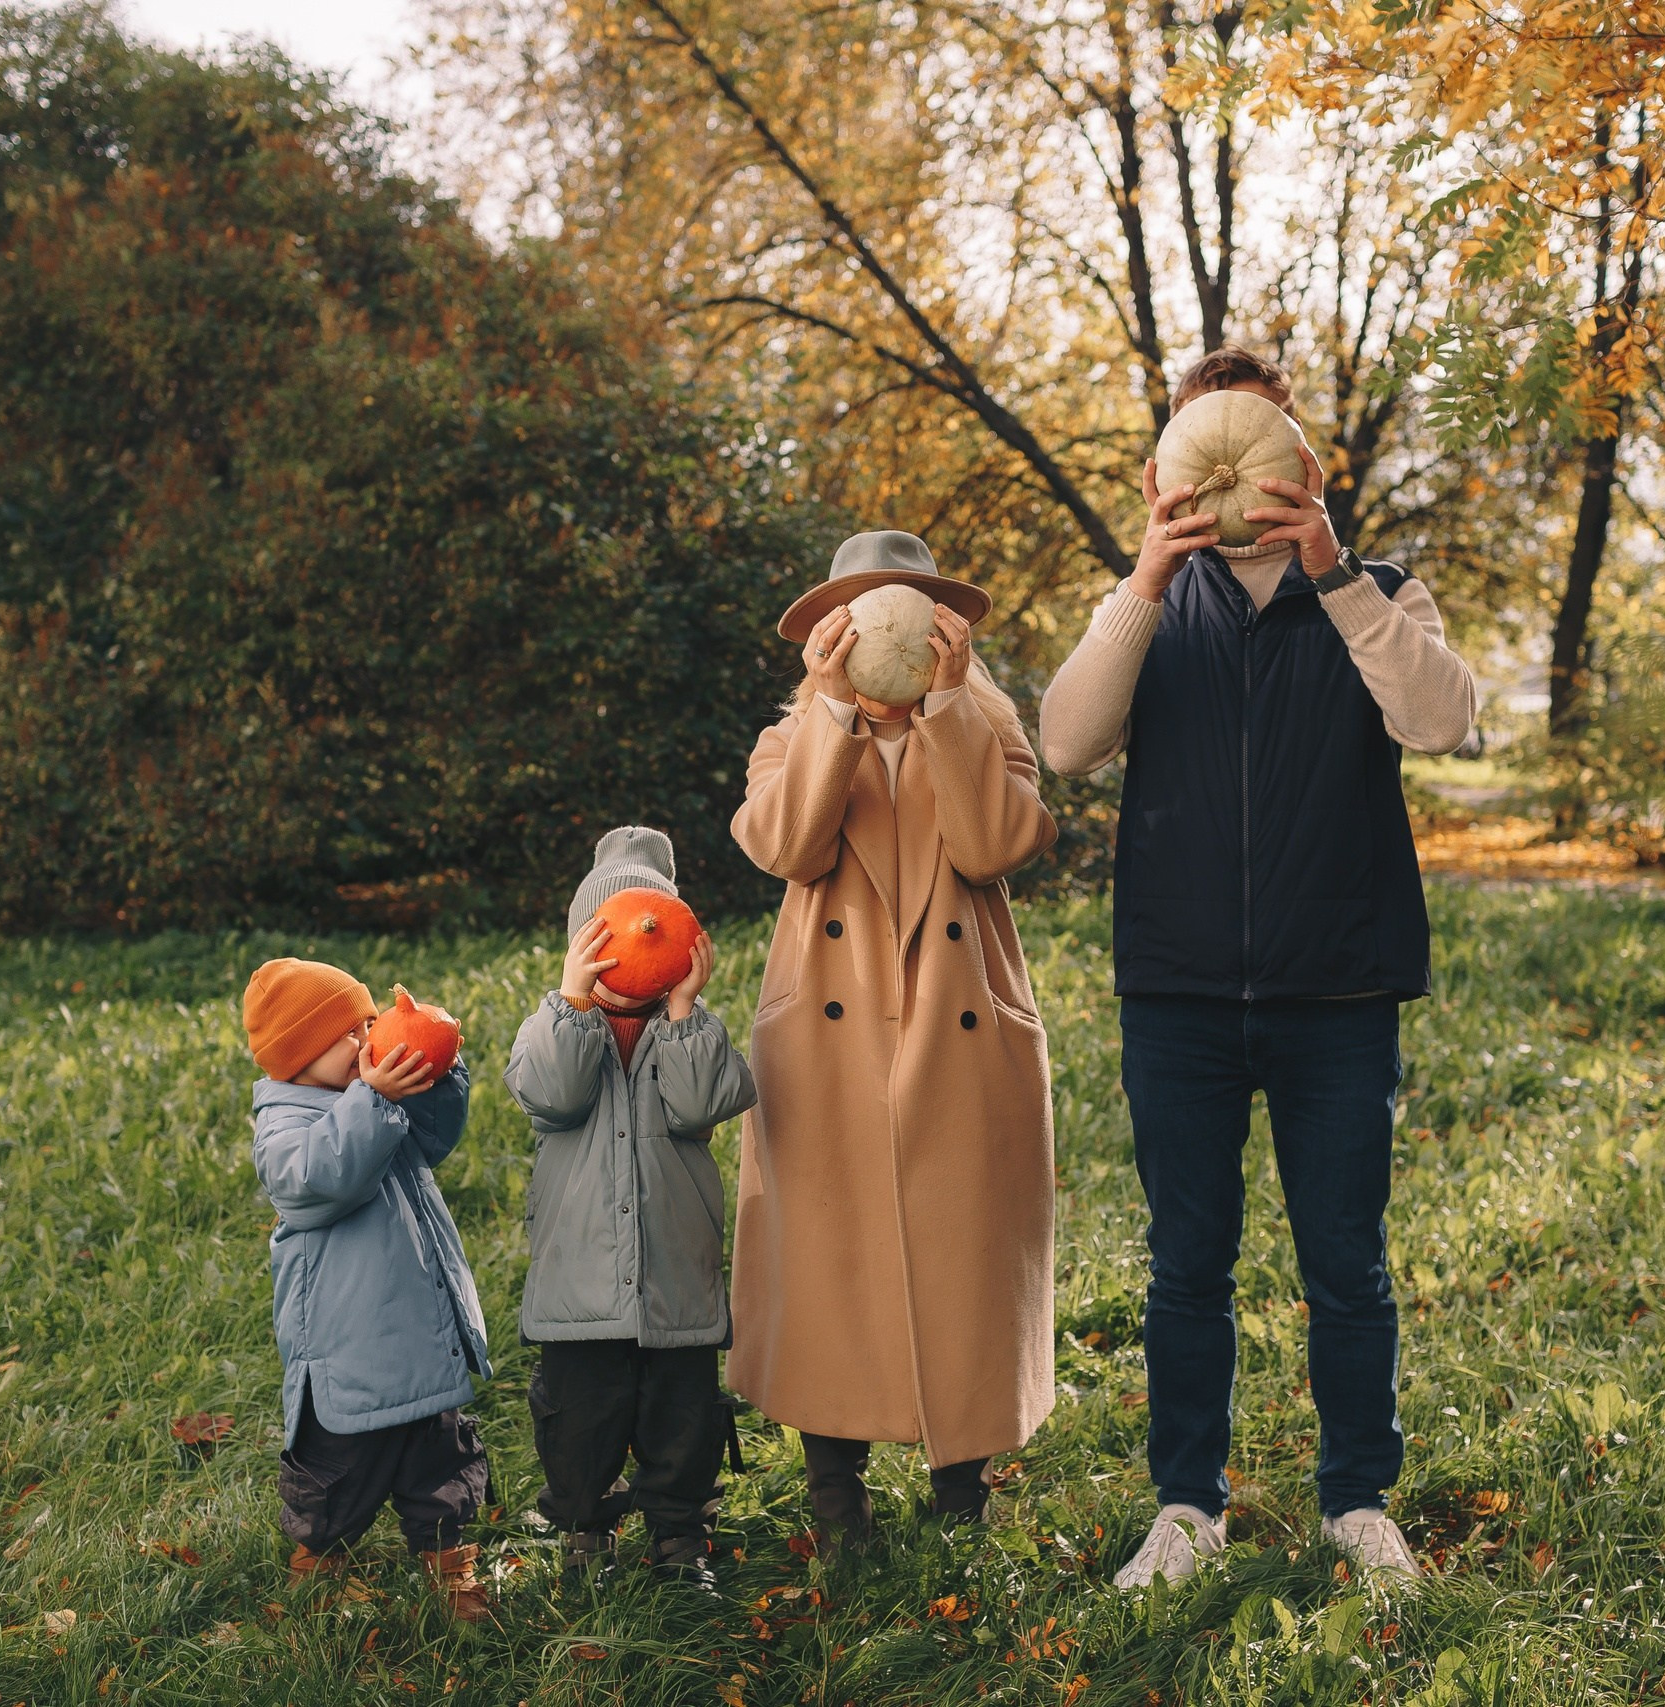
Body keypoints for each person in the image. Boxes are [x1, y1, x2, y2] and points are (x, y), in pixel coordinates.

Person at [1037, 345, 1479, 1587]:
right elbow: (1065, 745)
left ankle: (1357, 1500)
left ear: (1304, 460)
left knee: (1347, 1263)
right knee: (1188, 1266)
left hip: (1337, 987)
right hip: (1177, 990)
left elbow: (1442, 722)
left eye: (1260, 440)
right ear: (1161, 465)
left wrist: (1334, 569)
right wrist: (1144, 574)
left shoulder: (1380, 590)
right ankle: (1186, 1506)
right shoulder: (1142, 607)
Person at [728, 529, 1061, 1541]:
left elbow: (997, 843)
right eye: (860, 609)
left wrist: (953, 706)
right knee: (830, 1266)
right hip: (829, 1040)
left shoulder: (989, 728)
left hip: (960, 1035)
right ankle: (838, 1502)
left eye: (905, 606)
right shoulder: (791, 740)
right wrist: (834, 712)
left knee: (965, 1266)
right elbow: (783, 844)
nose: (883, 627)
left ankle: (960, 1499)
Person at [503, 826, 757, 1590]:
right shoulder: (554, 1025)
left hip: (675, 1283)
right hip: (579, 1290)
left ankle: (680, 1537)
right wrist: (574, 999)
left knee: (683, 1422)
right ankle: (583, 1530)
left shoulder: (691, 1030)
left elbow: (703, 1104)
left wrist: (683, 1011)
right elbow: (552, 1092)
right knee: (579, 1423)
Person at [244, 956, 493, 1618]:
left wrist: (434, 1070)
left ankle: (452, 1571)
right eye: (349, 1032)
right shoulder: (285, 1124)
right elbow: (317, 1177)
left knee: (441, 1462)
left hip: (420, 1331)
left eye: (368, 1022)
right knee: (338, 1471)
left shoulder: (377, 1095)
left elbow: (435, 1137)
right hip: (350, 1349)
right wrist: (374, 1098)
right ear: (299, 1053)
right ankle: (318, 1569)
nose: (367, 1039)